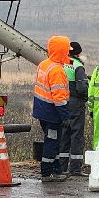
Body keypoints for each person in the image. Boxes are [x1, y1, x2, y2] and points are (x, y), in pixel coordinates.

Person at [32, 35, 72, 182]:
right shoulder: (57, 70)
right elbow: (59, 97)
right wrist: (66, 116)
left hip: (42, 110)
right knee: (52, 141)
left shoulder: (44, 64)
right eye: (67, 50)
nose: (68, 53)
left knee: (53, 141)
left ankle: (56, 170)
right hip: (52, 113)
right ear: (62, 51)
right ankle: (46, 173)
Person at [57, 40, 90, 178]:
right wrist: (85, 98)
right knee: (76, 135)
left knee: (64, 134)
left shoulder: (60, 64)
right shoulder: (77, 66)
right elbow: (82, 88)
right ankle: (75, 168)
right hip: (76, 103)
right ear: (78, 53)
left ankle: (62, 166)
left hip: (62, 102)